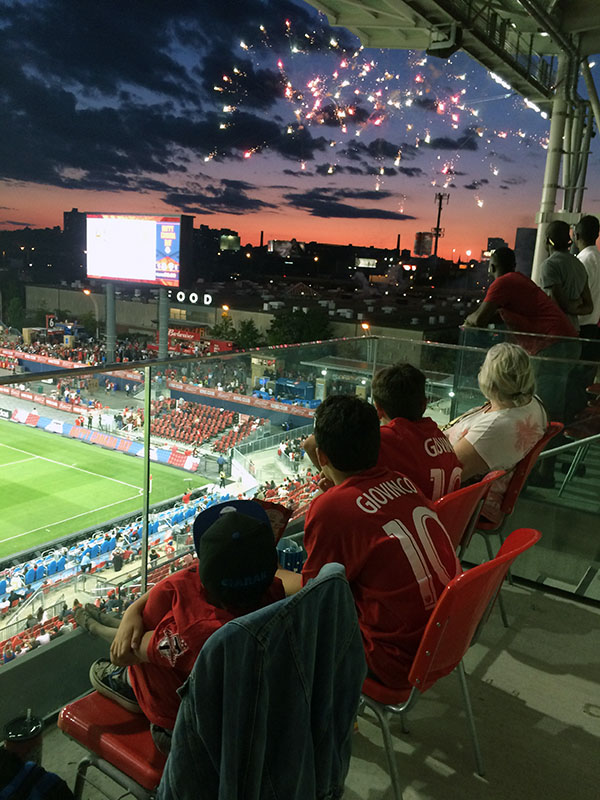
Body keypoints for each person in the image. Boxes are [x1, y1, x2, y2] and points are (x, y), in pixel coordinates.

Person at [75, 501, 284, 754]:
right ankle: (112, 629)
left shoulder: (189, 635)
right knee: (157, 630)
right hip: (243, 703)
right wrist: (133, 611)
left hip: (185, 731)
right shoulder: (273, 591)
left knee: (149, 647)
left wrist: (99, 626)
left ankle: (127, 681)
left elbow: (131, 648)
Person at [282, 395, 459, 691]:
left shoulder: (333, 509)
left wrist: (273, 571)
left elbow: (314, 602)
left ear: (322, 457)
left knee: (280, 622)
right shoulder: (404, 482)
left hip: (394, 659)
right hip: (445, 639)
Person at [464, 246, 579, 424]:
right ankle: (546, 444)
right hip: (563, 342)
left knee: (544, 403)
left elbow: (478, 319)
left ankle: (547, 448)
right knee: (546, 400)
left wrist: (467, 321)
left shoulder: (503, 283)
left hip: (553, 344)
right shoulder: (517, 280)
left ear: (492, 267)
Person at [445, 343, 548, 510]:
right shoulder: (531, 402)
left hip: (464, 503)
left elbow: (446, 474)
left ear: (491, 381)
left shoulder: (496, 427)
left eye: (484, 367)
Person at [371, 363, 462, 500]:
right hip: (442, 518)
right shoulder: (438, 435)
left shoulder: (384, 440)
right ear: (424, 405)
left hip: (407, 519)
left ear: (378, 409)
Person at [539, 220, 592, 332]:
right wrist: (577, 304)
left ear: (548, 240)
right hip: (574, 332)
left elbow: (558, 305)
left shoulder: (549, 265)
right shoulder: (579, 265)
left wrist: (569, 306)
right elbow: (589, 307)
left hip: (554, 331)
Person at [573, 214, 600, 386]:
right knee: (586, 383)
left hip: (579, 329)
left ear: (576, 236)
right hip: (596, 329)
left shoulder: (580, 262)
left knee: (573, 381)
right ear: (597, 235)